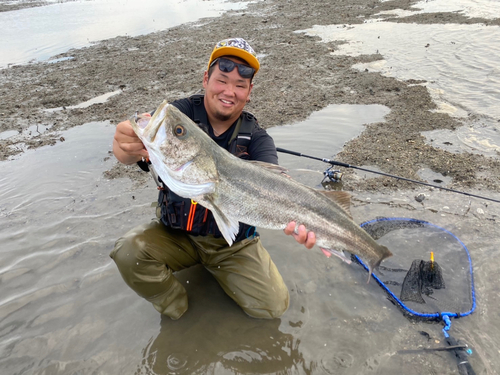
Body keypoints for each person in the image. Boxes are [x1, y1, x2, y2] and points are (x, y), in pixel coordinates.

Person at [111, 38, 315, 320]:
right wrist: (125, 148)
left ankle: (220, 273)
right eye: (221, 80)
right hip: (177, 235)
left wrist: (301, 221)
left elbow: (275, 187)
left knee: (272, 308)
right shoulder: (179, 115)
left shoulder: (258, 139)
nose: (229, 91)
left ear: (249, 91)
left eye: (240, 85)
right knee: (128, 252)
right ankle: (178, 310)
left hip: (231, 245)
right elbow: (134, 152)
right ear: (206, 79)